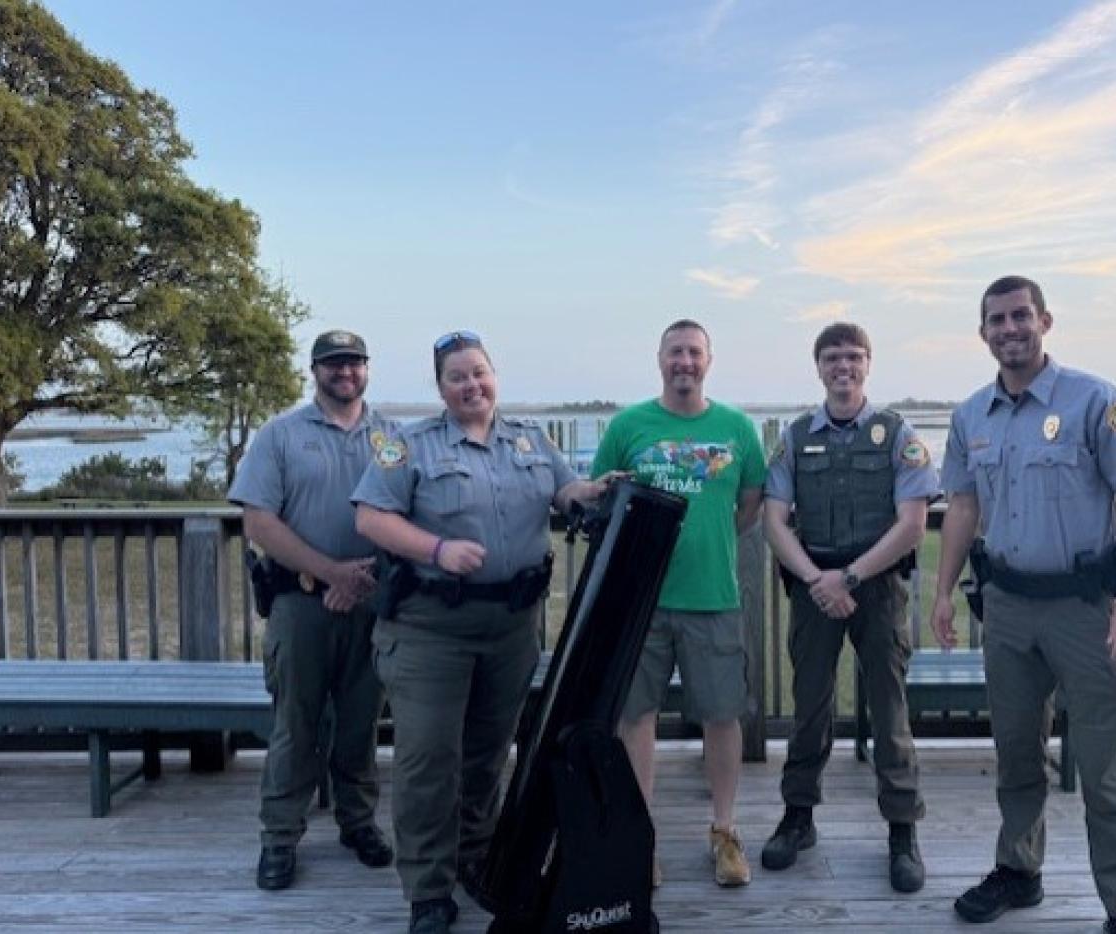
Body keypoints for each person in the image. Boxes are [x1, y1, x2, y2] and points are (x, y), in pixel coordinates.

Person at [352, 330, 612, 934]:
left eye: (479, 373)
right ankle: (427, 888)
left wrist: (589, 491)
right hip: (430, 630)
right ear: (440, 389)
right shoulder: (402, 444)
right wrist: (436, 549)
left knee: (488, 755)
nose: (472, 385)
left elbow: (564, 489)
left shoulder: (531, 439)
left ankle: (476, 859)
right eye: (457, 377)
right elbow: (370, 515)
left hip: (511, 627)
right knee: (426, 759)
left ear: (494, 375)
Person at [929, 276, 1116, 934]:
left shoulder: (1097, 400)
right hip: (1006, 608)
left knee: (1103, 766)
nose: (1009, 329)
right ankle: (1019, 870)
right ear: (983, 334)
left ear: (1044, 321)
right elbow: (964, 507)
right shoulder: (971, 415)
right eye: (996, 320)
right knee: (1017, 754)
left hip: (1087, 611)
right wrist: (943, 592)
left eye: (1020, 316)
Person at [760, 321, 937, 893]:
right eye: (833, 357)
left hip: (878, 586)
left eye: (854, 357)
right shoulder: (794, 437)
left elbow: (913, 525)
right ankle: (799, 816)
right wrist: (819, 580)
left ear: (868, 365)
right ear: (818, 367)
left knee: (889, 709)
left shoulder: (897, 433)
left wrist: (853, 577)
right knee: (809, 704)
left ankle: (902, 829)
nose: (844, 366)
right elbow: (773, 520)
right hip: (814, 585)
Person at [591, 319, 766, 888]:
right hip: (639, 599)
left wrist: (704, 542)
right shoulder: (628, 425)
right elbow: (602, 495)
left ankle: (724, 831)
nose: (684, 362)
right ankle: (642, 839)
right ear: (659, 359)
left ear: (708, 360)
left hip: (712, 597)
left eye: (694, 352)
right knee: (635, 717)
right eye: (675, 353)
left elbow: (747, 508)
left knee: (721, 715)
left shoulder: (737, 428)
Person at [228, 329, 395, 891]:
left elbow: (412, 514)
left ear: (367, 369)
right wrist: (331, 573)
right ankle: (279, 837)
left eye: (353, 362)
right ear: (315, 370)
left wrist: (359, 580)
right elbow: (258, 522)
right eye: (333, 363)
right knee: (295, 726)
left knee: (360, 723)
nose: (344, 372)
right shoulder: (279, 436)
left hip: (372, 605)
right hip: (299, 605)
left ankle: (358, 822)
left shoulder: (392, 437)